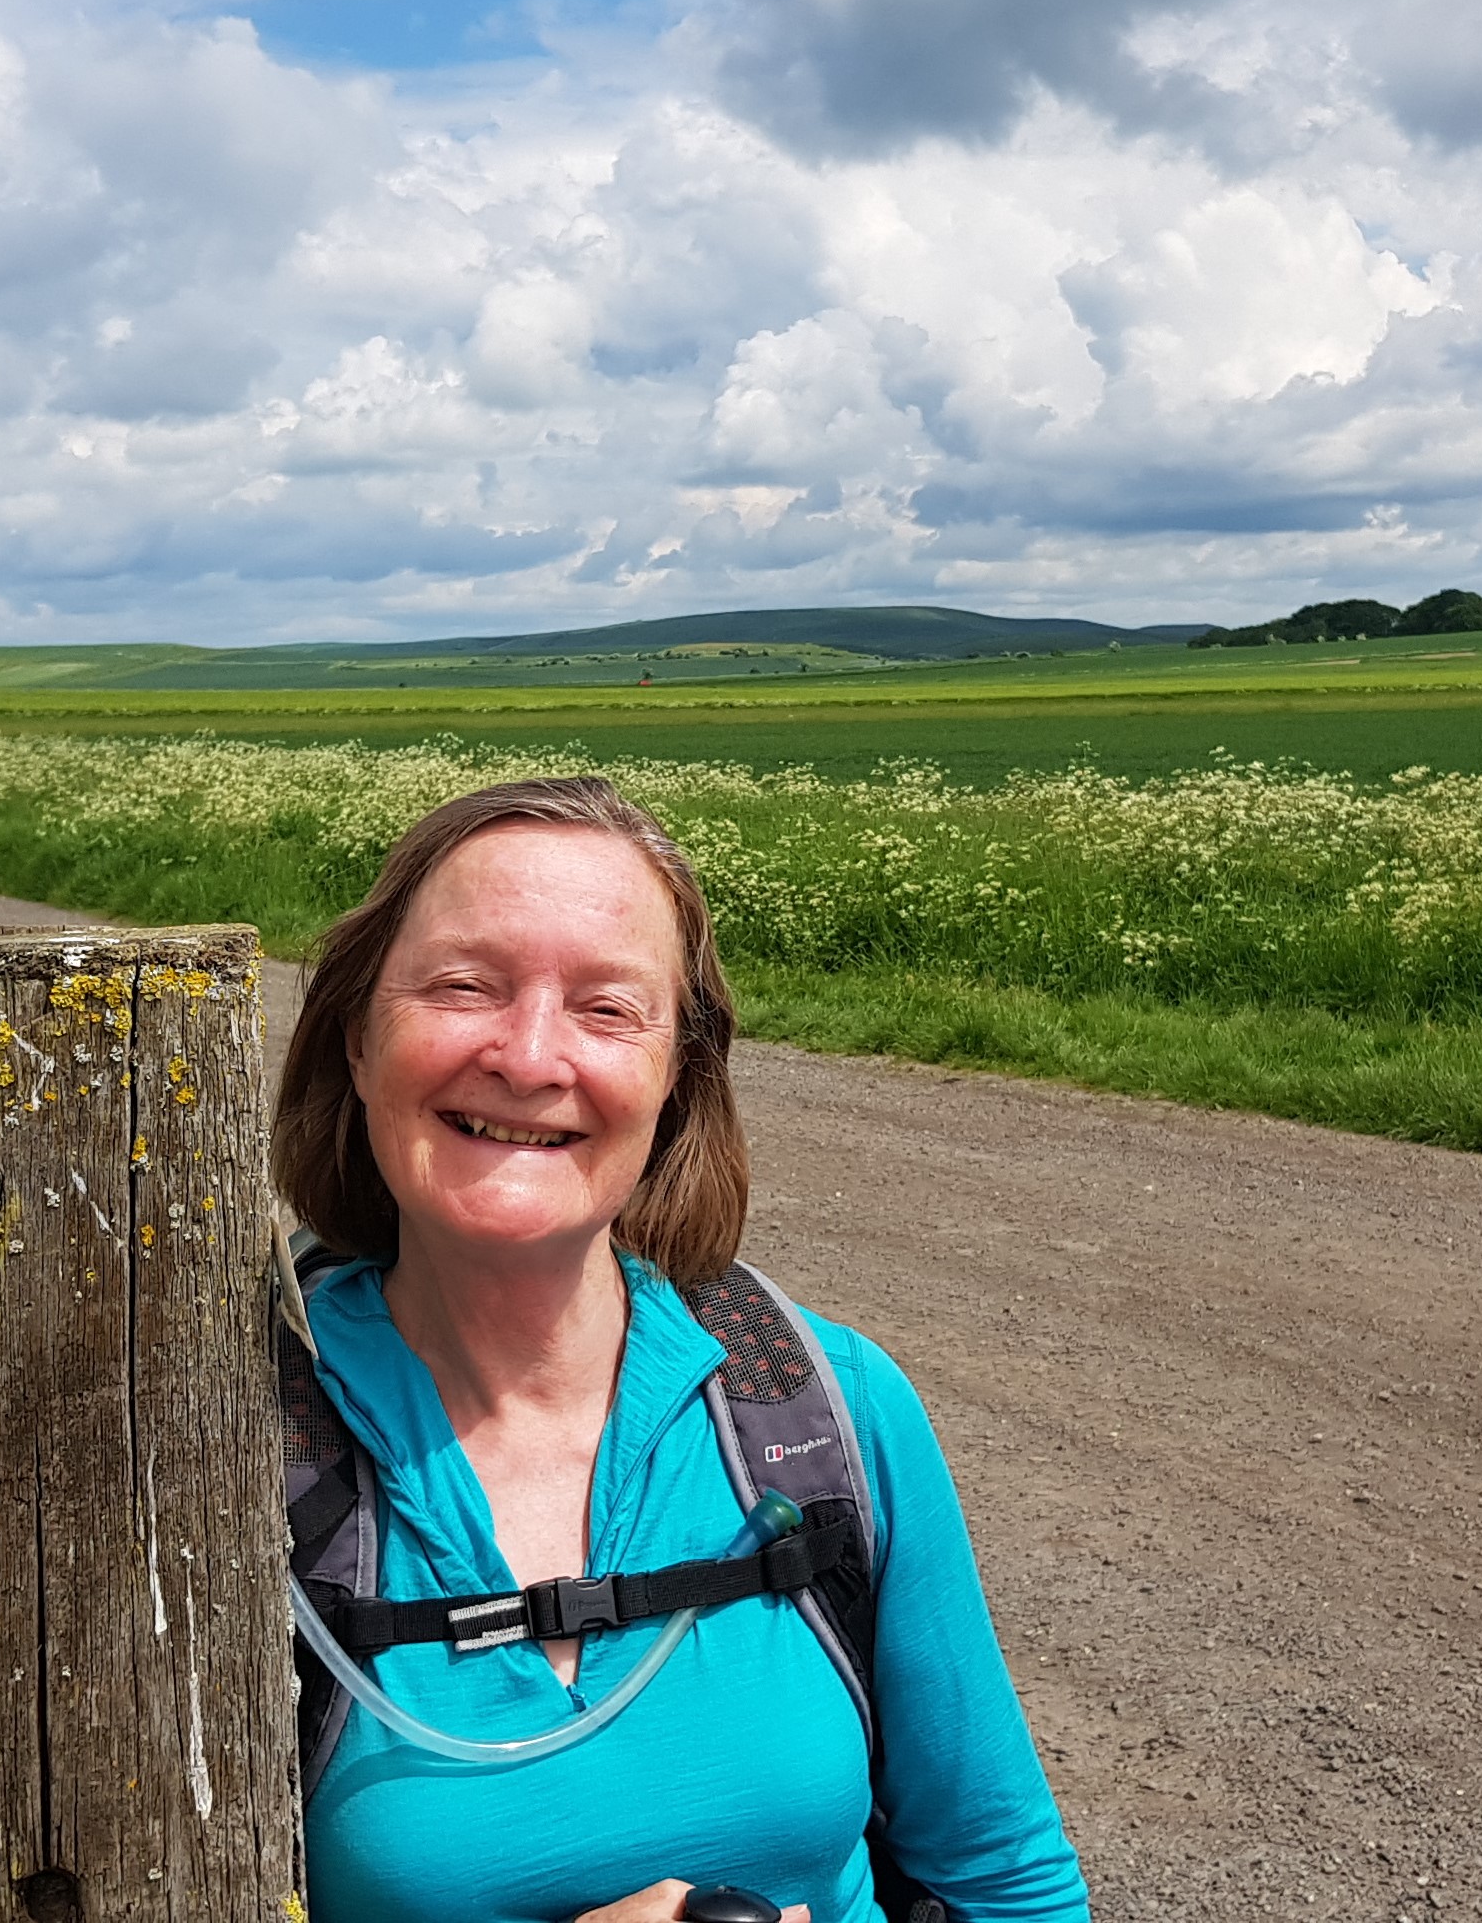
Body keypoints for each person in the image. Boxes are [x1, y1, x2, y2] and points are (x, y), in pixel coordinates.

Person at [271, 775, 1091, 1923]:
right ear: (357, 1039)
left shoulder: (823, 1412)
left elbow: (1006, 1880)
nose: (529, 1056)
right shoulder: (227, 1456)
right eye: (466, 986)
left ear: (677, 1077)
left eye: (608, 1009)